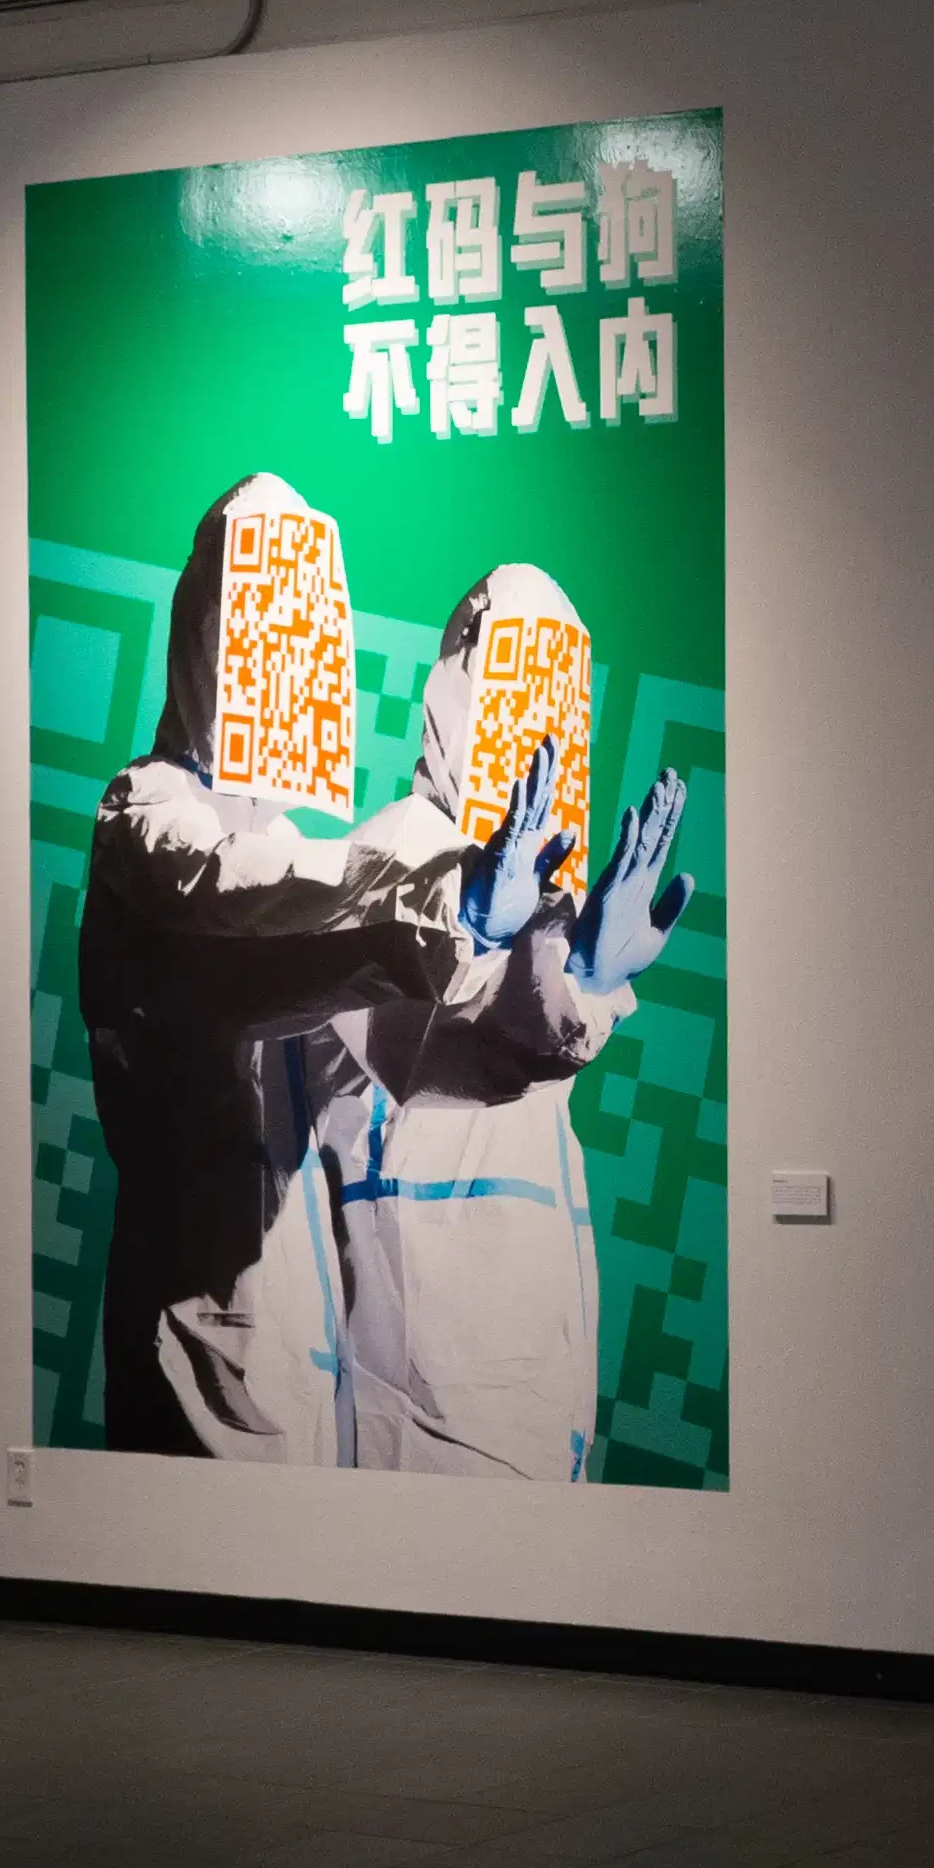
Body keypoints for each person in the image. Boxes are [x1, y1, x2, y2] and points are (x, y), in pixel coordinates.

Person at [76, 474, 476, 1461]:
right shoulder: (146, 817)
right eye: (257, 613)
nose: (282, 648)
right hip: (189, 1334)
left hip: (308, 1336)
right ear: (202, 629)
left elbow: (400, 1044)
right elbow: (241, 895)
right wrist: (412, 853)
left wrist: (547, 958)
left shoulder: (310, 858)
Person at [320, 564, 694, 1478]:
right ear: (460, 693)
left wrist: (587, 970)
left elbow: (531, 1071)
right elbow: (443, 1055)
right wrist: (484, 928)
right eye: (513, 678)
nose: (535, 729)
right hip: (420, 1378)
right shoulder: (380, 867)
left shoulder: (547, 900)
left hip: (534, 1367)